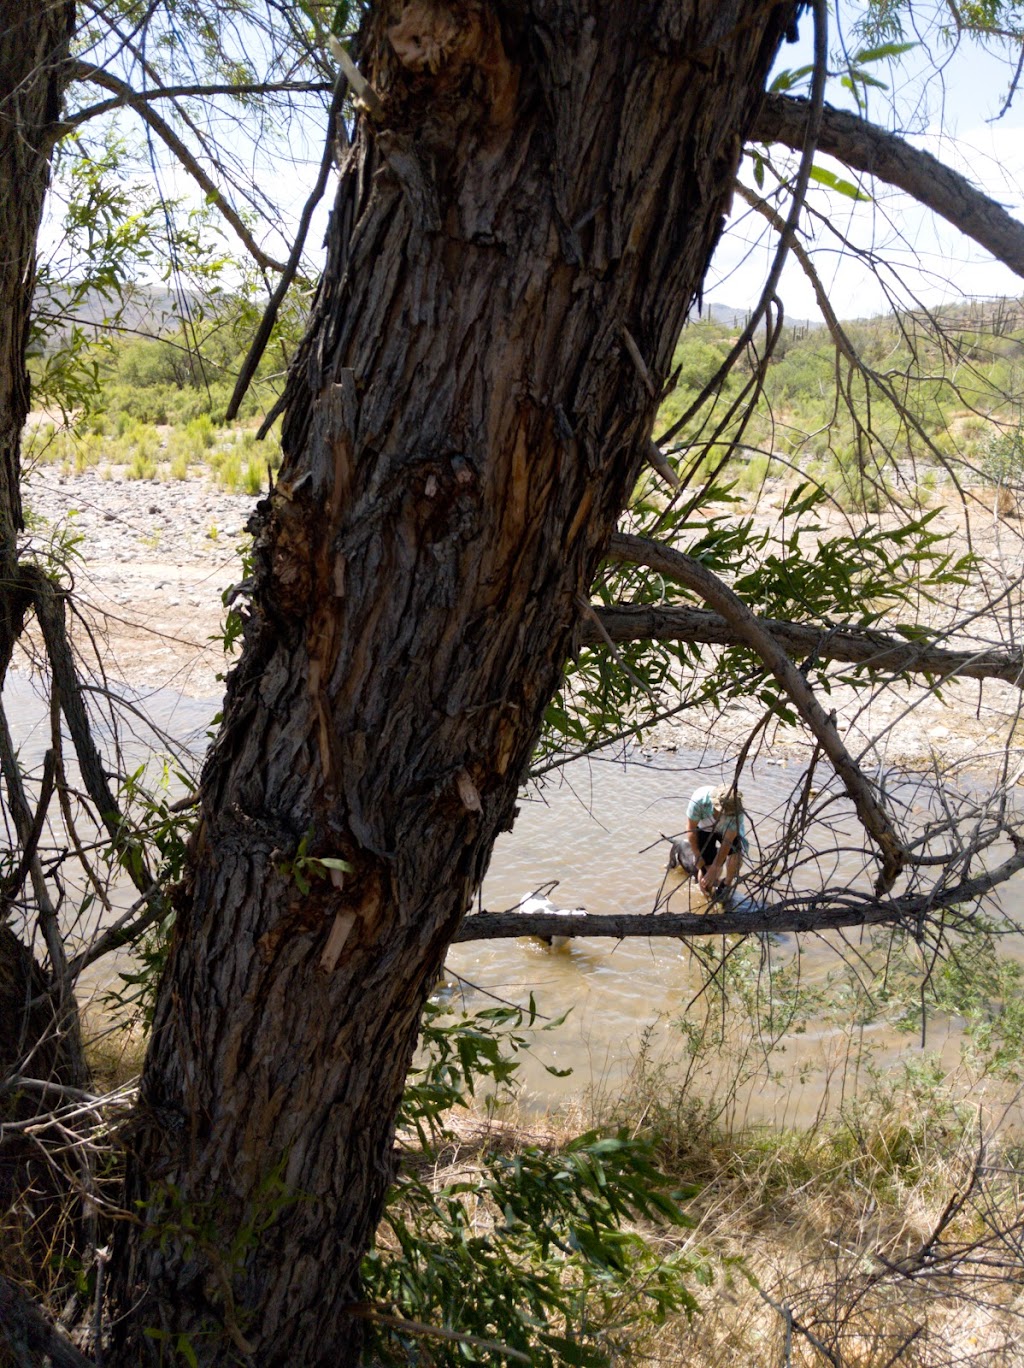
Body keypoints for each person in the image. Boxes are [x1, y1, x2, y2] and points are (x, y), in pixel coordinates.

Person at [669, 783, 748, 894]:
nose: (725, 816)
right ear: (714, 804)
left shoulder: (737, 810)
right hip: (704, 827)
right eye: (723, 812)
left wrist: (716, 866)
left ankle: (726, 885)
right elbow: (690, 828)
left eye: (729, 814)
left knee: (737, 853)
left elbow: (727, 841)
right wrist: (697, 855)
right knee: (707, 870)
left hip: (727, 829)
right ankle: (707, 896)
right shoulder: (699, 801)